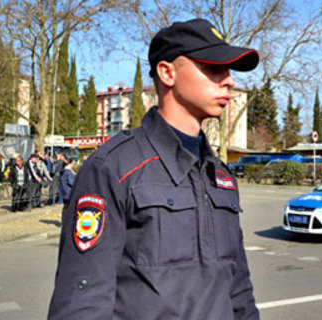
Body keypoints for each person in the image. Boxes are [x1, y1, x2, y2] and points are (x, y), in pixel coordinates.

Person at [48, 18, 260, 319]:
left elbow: (239, 292)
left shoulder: (221, 177)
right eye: (213, 67)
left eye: (229, 70)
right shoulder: (113, 169)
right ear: (167, 72)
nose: (229, 80)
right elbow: (83, 301)